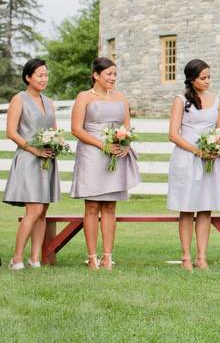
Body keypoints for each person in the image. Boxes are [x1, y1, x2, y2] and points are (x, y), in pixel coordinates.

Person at [69, 57, 141, 270]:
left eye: (114, 74)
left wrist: (125, 143)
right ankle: (92, 257)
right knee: (92, 206)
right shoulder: (84, 98)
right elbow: (76, 129)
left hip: (115, 155)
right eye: (108, 74)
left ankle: (107, 256)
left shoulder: (120, 97)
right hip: (92, 155)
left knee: (110, 206)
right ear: (96, 75)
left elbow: (127, 126)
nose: (112, 78)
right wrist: (103, 146)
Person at [166, 59, 220, 271]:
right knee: (187, 208)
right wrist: (197, 151)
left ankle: (201, 256)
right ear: (192, 80)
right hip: (188, 158)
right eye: (203, 78)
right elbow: (173, 135)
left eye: (209, 77)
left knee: (205, 208)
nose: (207, 81)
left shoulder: (216, 101)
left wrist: (216, 148)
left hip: (211, 160)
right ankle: (186, 257)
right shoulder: (181, 100)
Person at [4, 59, 60, 269]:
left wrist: (55, 145)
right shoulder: (19, 99)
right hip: (28, 159)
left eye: (46, 75)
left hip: (47, 159)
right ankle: (17, 258)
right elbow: (11, 132)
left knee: (43, 211)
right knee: (34, 210)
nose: (44, 79)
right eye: (39, 75)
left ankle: (34, 258)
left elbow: (54, 130)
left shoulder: (49, 101)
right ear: (28, 77)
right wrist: (33, 149)